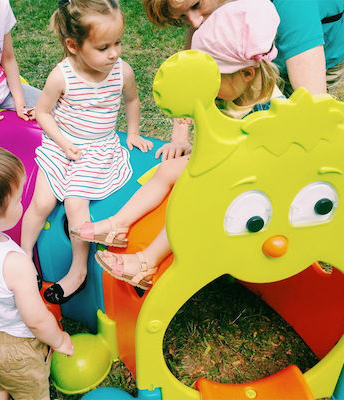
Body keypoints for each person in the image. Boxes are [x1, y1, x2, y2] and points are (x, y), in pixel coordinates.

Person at [71, 0, 282, 290]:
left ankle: (147, 262)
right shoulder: (237, 93)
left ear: (245, 73)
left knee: (194, 196)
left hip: (258, 182)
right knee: (168, 170)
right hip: (231, 165)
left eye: (214, 78)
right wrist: (187, 142)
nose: (208, 86)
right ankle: (118, 223)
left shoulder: (269, 108)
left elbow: (267, 155)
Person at [21, 0, 153, 305]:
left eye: (118, 42)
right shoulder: (61, 76)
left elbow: (132, 101)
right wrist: (63, 143)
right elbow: (43, 113)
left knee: (74, 202)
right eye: (104, 46)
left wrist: (132, 133)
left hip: (97, 150)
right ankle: (24, 255)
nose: (115, 52)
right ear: (74, 45)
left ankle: (77, 272)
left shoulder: (122, 72)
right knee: (41, 201)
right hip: (61, 145)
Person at [144, 0, 344, 159]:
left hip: (321, 52)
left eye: (197, 4)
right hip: (254, 65)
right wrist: (179, 139)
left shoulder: (294, 6)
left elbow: (313, 108)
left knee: (292, 130)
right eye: (182, 17)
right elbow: (193, 70)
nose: (195, 21)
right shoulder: (205, 15)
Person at [0, 145, 73, 400]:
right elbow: (36, 320)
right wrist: (59, 340)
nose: (22, 202)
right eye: (18, 200)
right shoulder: (15, 263)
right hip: (15, 347)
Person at [0, 0, 41, 141]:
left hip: (0, 89)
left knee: (55, 107)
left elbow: (8, 59)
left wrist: (21, 105)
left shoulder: (0, 5)